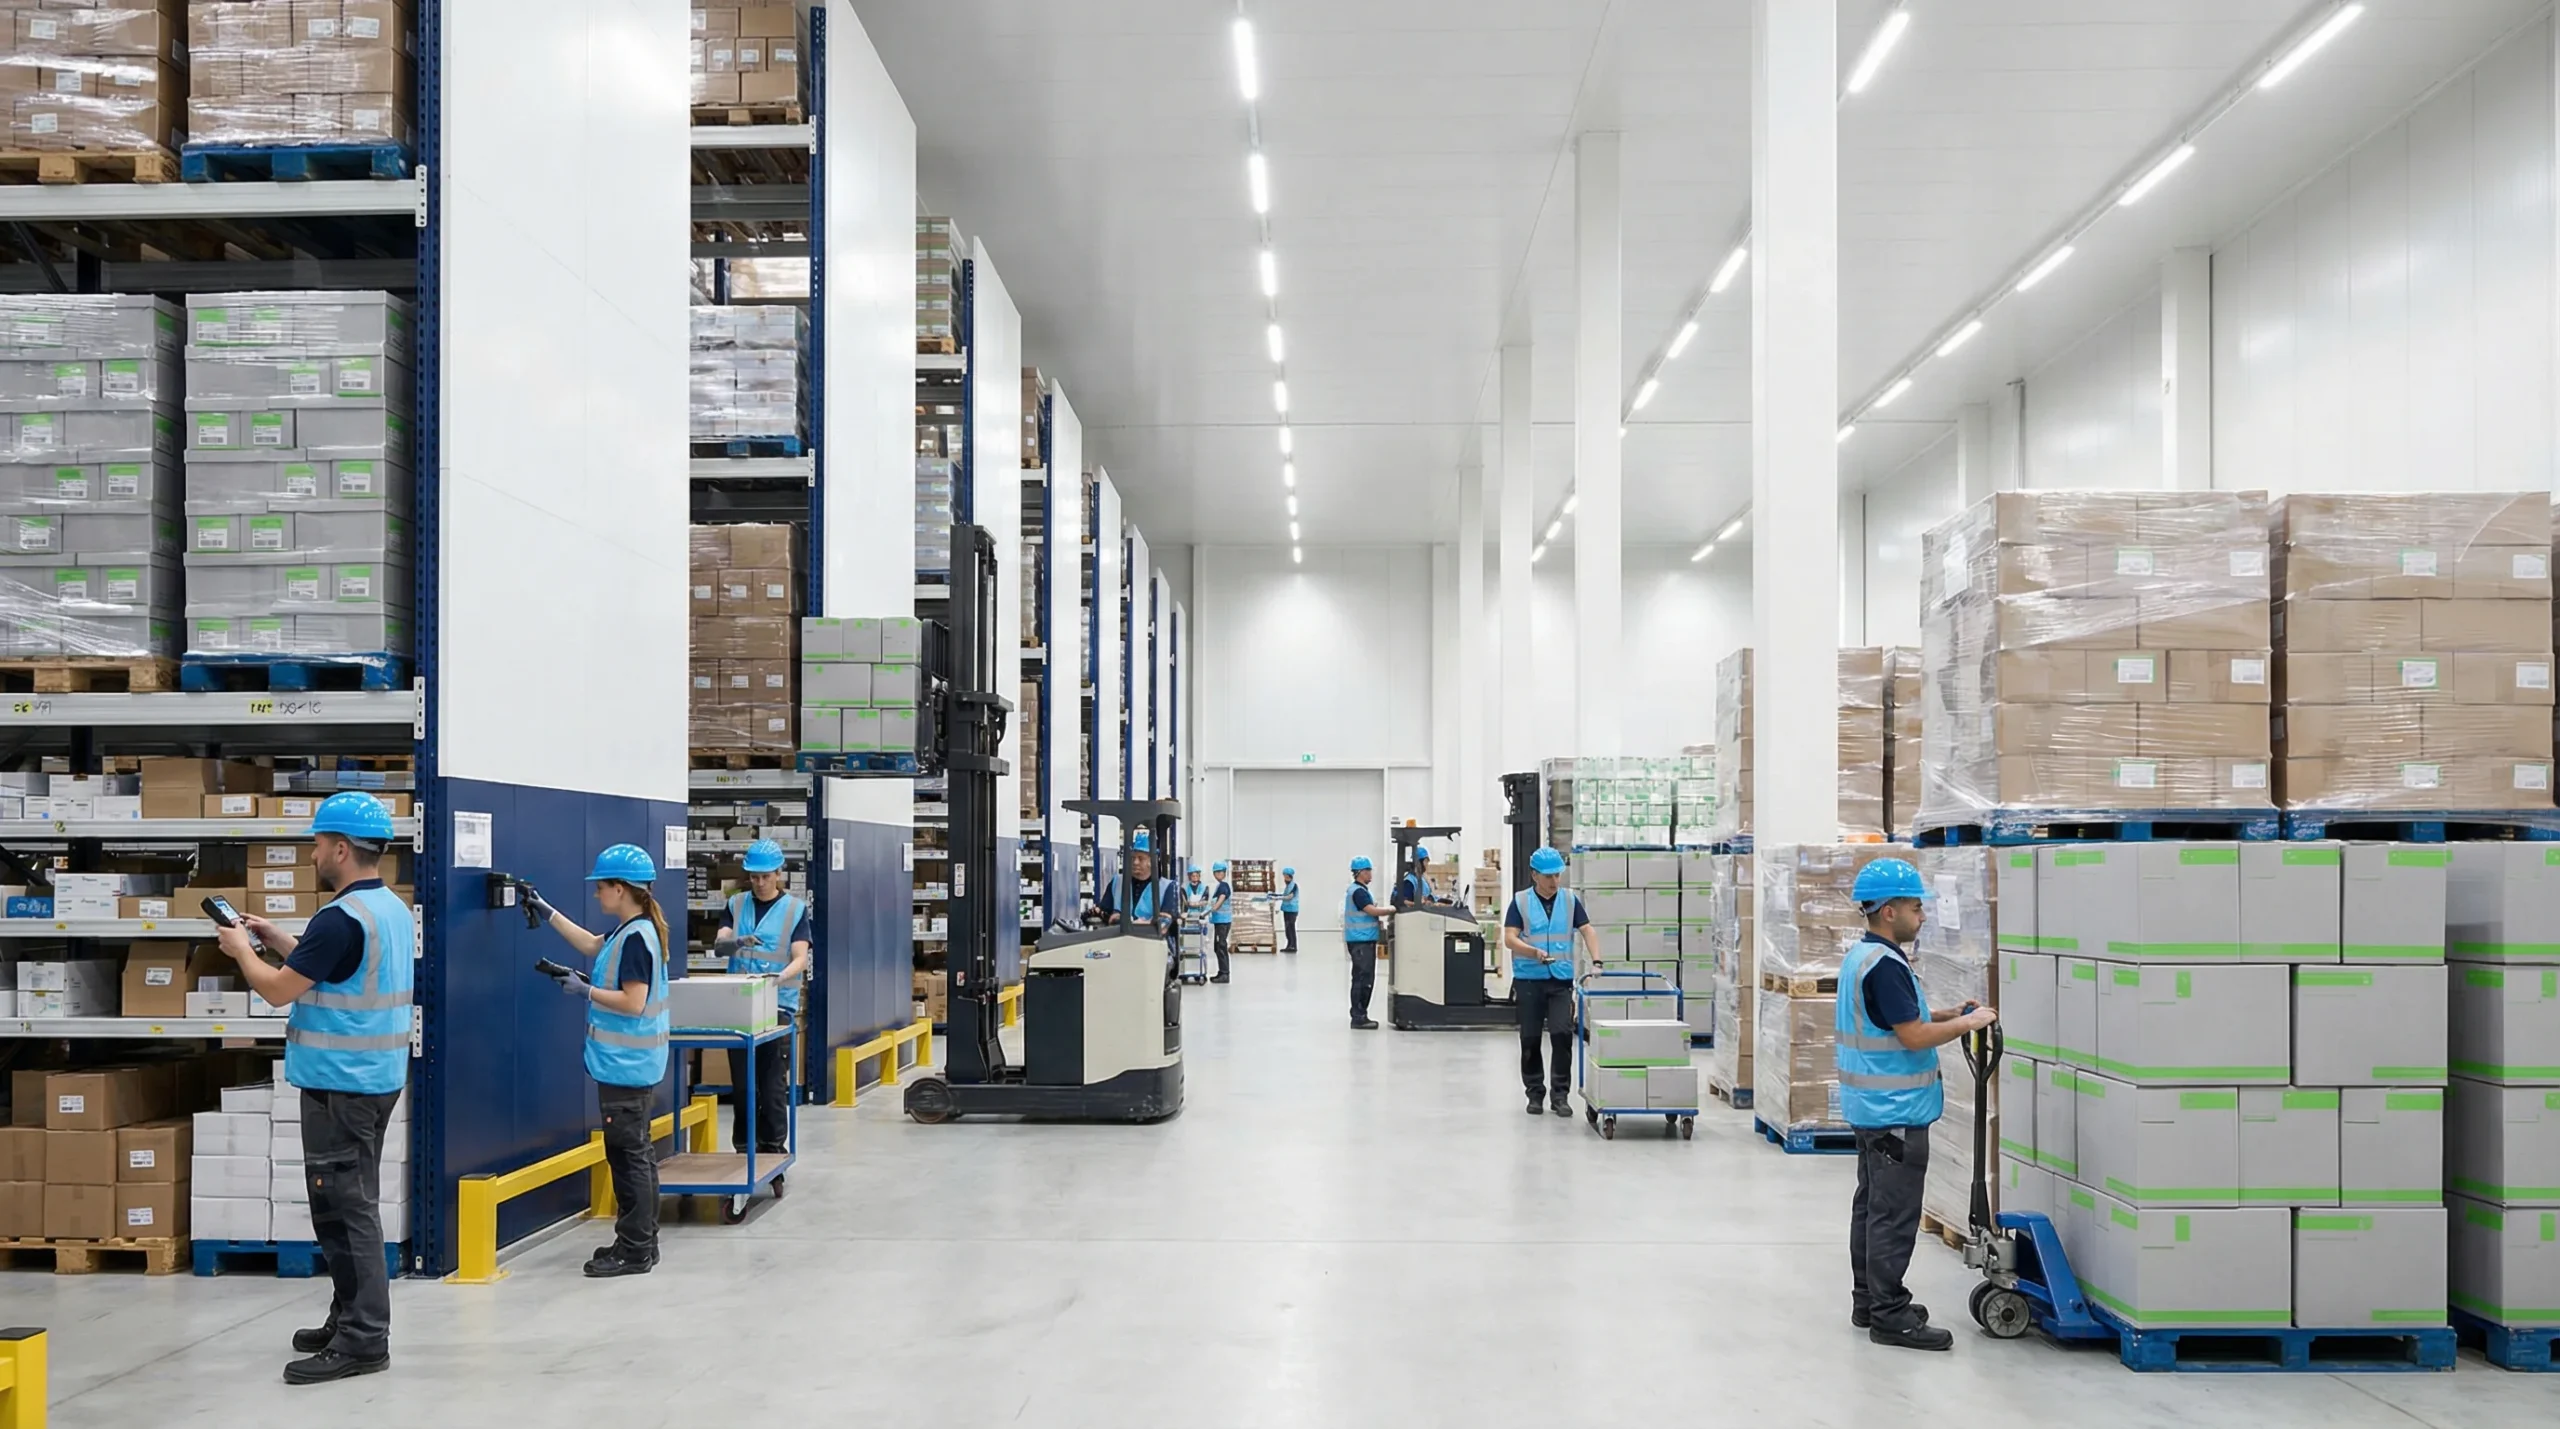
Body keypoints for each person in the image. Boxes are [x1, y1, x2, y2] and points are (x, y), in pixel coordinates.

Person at [214, 792, 409, 1386]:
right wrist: (274, 936)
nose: (314, 851)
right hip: (372, 1082)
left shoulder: (340, 918)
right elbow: (331, 970)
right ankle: (348, 1314)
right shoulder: (387, 908)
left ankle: (364, 1339)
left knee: (347, 1212)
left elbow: (277, 992)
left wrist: (243, 951)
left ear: (342, 849)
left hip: (340, 1088)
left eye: (319, 842)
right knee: (342, 1206)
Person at [1835, 857, 1996, 1353]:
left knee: (1872, 1210)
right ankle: (1890, 1315)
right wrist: (1968, 1025)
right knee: (1893, 1216)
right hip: (1895, 1112)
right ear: (1888, 911)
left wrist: (1947, 1013)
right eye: (1914, 907)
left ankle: (1869, 1301)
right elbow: (1912, 1035)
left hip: (1871, 1109)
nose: (1921, 916)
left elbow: (1898, 1021)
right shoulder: (1885, 966)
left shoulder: (1862, 956)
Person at [525, 843, 672, 1279]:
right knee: (635, 1155)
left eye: (601, 887)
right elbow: (590, 944)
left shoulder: (636, 938)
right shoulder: (634, 930)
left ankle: (635, 1249)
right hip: (631, 1065)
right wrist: (546, 912)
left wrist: (584, 990)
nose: (596, 894)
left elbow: (633, 1002)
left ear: (622, 889)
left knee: (628, 1158)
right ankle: (641, 1239)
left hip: (626, 1066)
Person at [714, 838, 810, 1157]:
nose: (759, 882)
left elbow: (800, 957)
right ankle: (744, 1147)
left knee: (771, 1085)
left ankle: (772, 1146)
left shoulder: (795, 910)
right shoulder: (735, 904)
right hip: (739, 1004)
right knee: (743, 1085)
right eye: (754, 876)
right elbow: (719, 946)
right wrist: (737, 941)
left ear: (779, 873)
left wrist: (777, 979)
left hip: (777, 1005)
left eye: (766, 876)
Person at [1501, 847, 1601, 1117]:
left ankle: (1560, 1096)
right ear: (1534, 875)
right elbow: (1510, 937)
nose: (1554, 881)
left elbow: (1587, 930)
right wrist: (1532, 952)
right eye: (1548, 876)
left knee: (1561, 1035)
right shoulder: (1520, 902)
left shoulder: (1569, 900)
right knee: (1531, 1039)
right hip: (1529, 980)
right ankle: (1534, 1094)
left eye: (1557, 875)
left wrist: (1597, 961)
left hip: (1560, 980)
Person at [1343, 856, 1386, 1029]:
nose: (1371, 874)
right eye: (1368, 871)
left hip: (1363, 939)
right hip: (1361, 941)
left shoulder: (1360, 890)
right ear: (1360, 873)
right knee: (1362, 979)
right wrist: (1391, 910)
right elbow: (1371, 910)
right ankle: (1359, 1016)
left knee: (1364, 978)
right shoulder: (1358, 892)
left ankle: (1361, 1014)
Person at [1207, 859, 1235, 983]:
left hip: (1223, 922)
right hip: (1219, 921)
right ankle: (1221, 972)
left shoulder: (1224, 886)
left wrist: (1209, 911)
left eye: (1221, 872)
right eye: (1216, 872)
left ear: (1224, 873)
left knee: (1221, 947)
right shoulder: (1220, 886)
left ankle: (1224, 974)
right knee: (1218, 947)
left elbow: (1220, 901)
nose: (1218, 874)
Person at [1279, 866, 1300, 953]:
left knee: (1291, 927)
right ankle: (1289, 945)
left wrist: (1279, 898)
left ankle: (1293, 946)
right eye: (1284, 876)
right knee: (1287, 928)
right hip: (1286, 909)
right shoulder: (1287, 886)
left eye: (1286, 876)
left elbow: (1289, 897)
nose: (1285, 878)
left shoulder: (1294, 886)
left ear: (1290, 876)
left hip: (1292, 910)